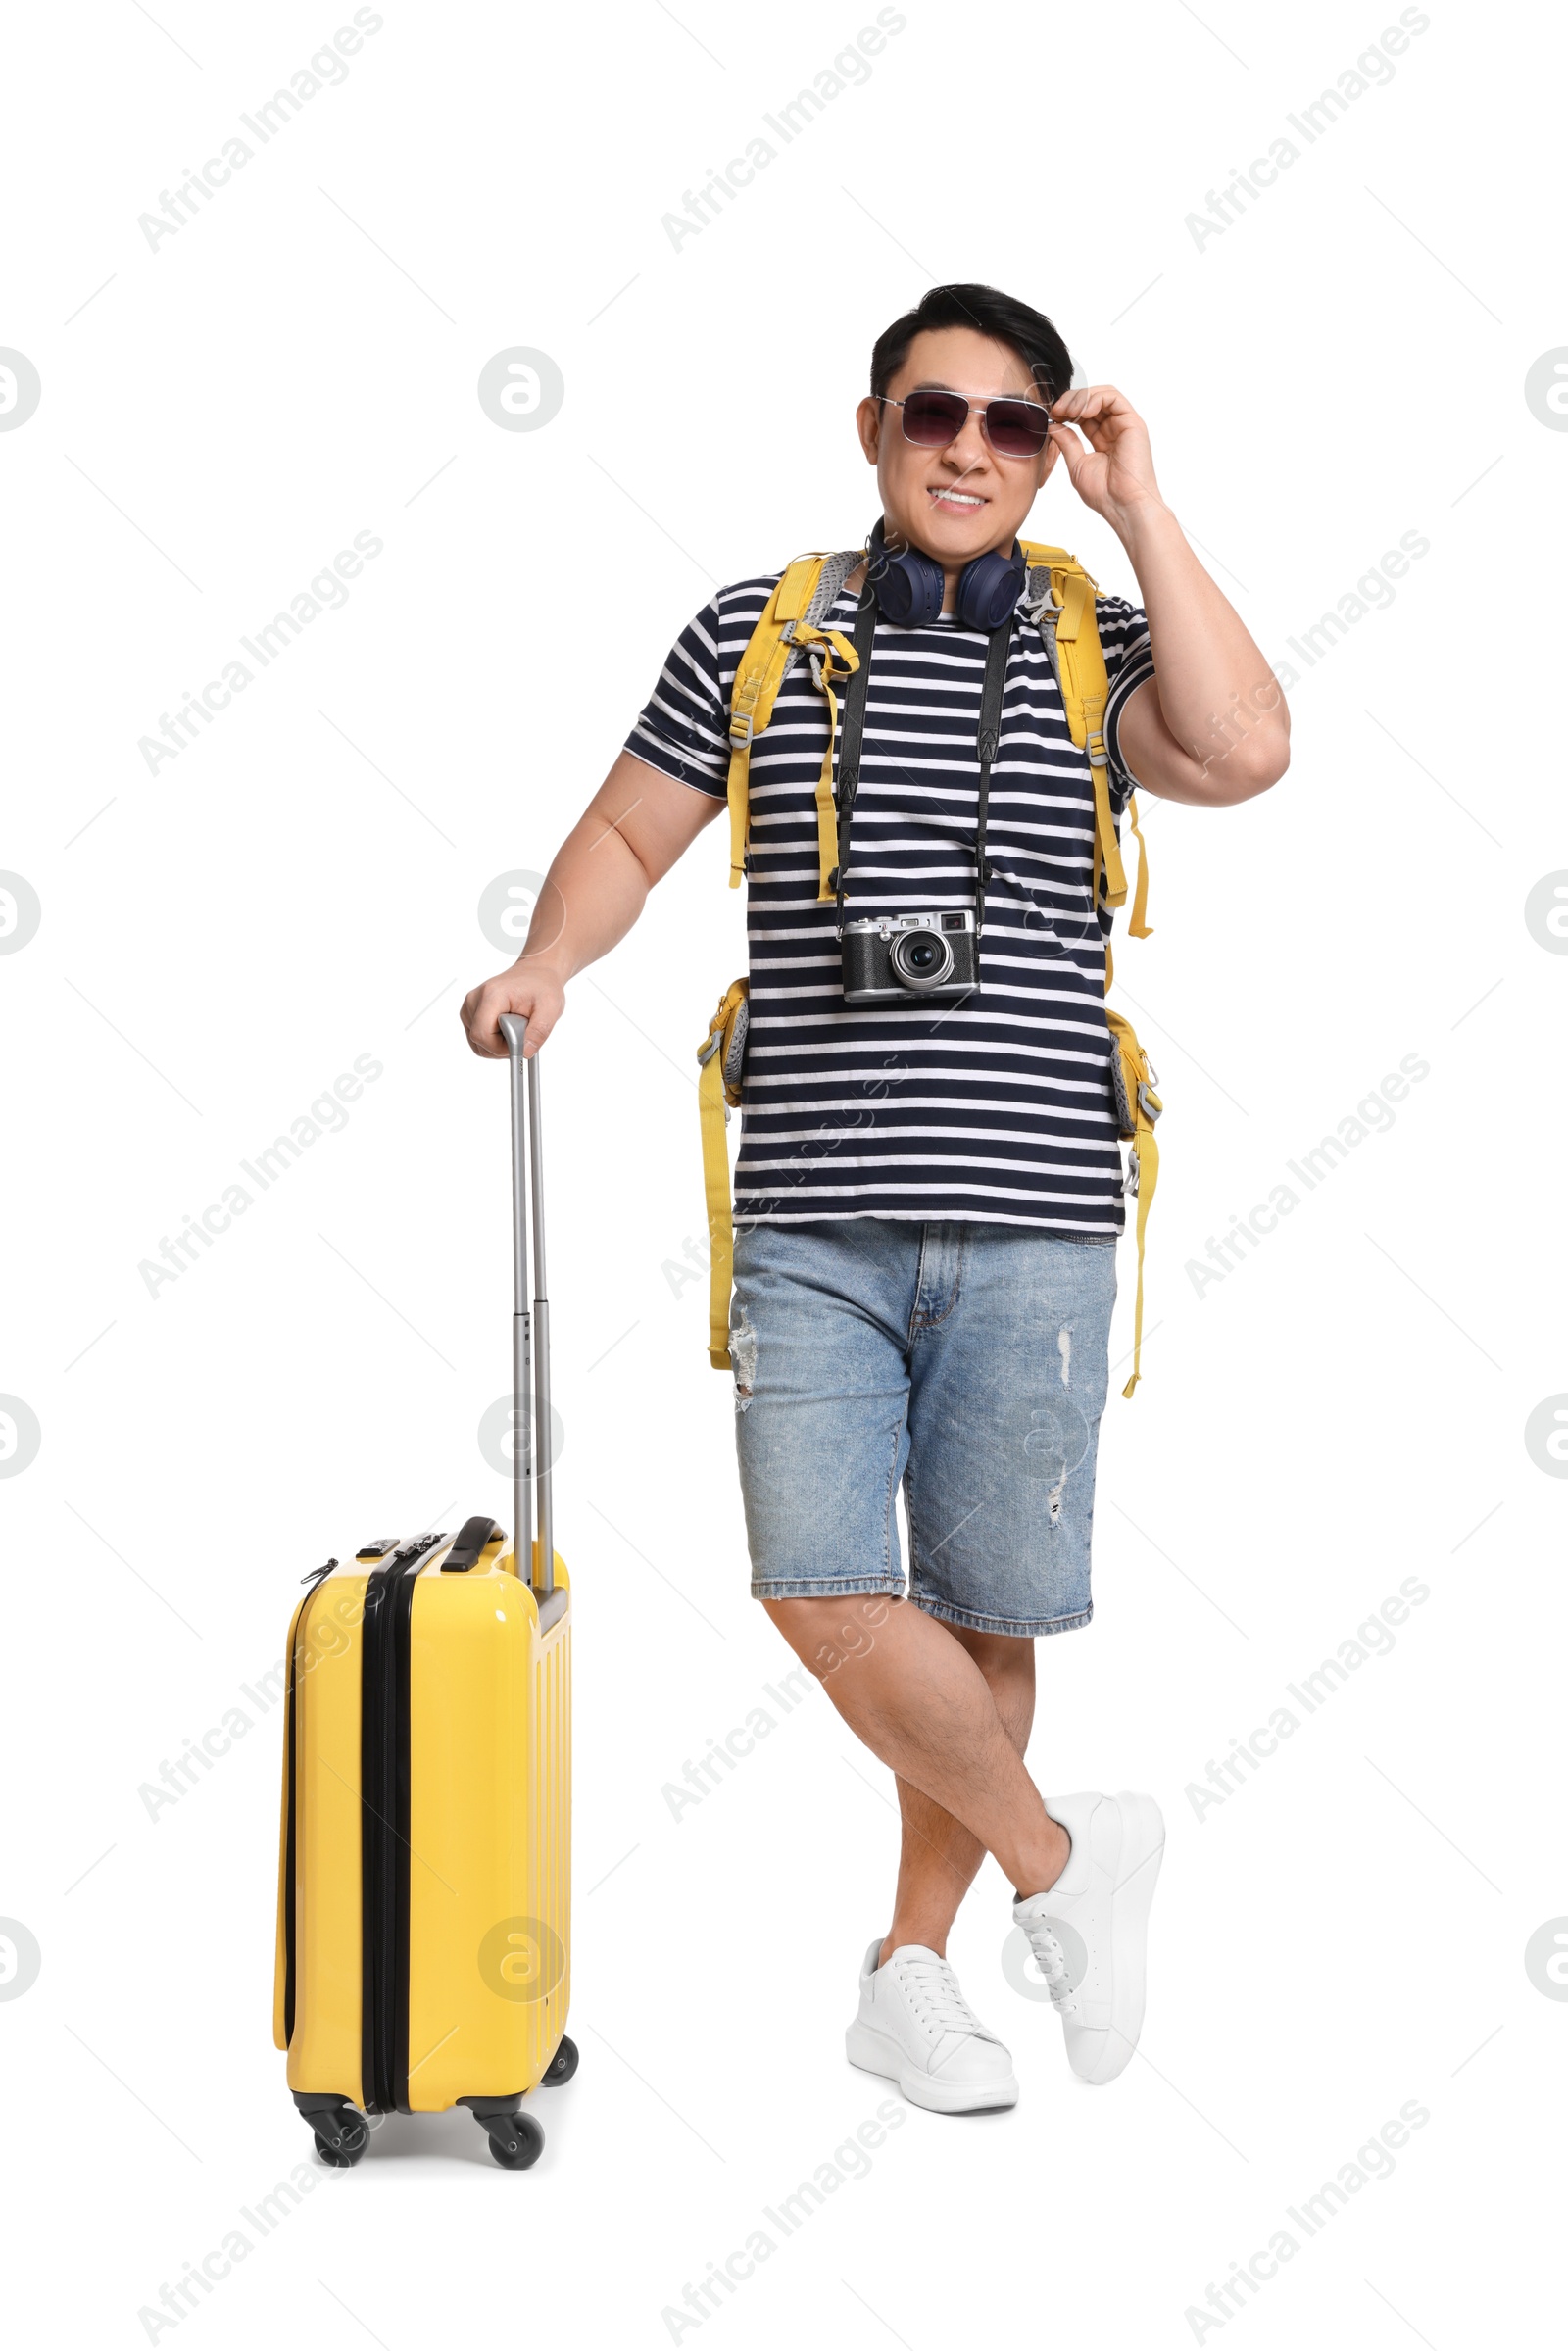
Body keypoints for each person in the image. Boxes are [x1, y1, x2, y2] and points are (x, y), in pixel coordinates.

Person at [461, 283, 1289, 2113]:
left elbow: (1241, 753)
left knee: (986, 1617)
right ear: (873, 428)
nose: (974, 453)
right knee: (826, 1586)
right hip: (816, 1211)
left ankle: (910, 1973)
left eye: (1017, 425)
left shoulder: (1095, 636)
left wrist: (1140, 506)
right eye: (939, 416)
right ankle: (1075, 1866)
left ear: (1050, 444)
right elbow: (627, 834)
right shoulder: (754, 632)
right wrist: (550, 960)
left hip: (1041, 1203)